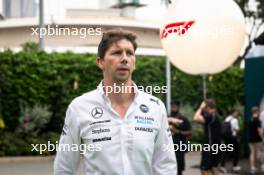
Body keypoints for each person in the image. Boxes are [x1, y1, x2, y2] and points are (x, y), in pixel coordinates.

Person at [53, 29, 177, 175]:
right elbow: (64, 167)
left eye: (129, 53)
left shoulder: (155, 107)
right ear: (100, 62)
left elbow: (166, 166)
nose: (124, 58)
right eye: (117, 53)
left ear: (134, 63)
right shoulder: (79, 108)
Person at [193, 99, 221, 175]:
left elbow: (195, 118)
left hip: (210, 146)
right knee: (213, 167)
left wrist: (200, 108)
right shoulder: (215, 115)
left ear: (207, 106)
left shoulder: (211, 116)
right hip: (215, 145)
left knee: (204, 168)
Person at [168, 100, 192, 175]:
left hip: (179, 148)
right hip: (167, 148)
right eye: (172, 107)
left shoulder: (183, 119)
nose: (173, 108)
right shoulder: (168, 118)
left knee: (178, 169)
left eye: (175, 107)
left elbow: (190, 133)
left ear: (178, 107)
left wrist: (177, 131)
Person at [248, 106, 264, 173]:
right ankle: (263, 166)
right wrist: (263, 138)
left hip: (250, 139)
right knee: (262, 151)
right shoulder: (257, 120)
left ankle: (252, 168)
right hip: (257, 139)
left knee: (252, 153)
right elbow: (259, 130)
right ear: (257, 111)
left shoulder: (250, 119)